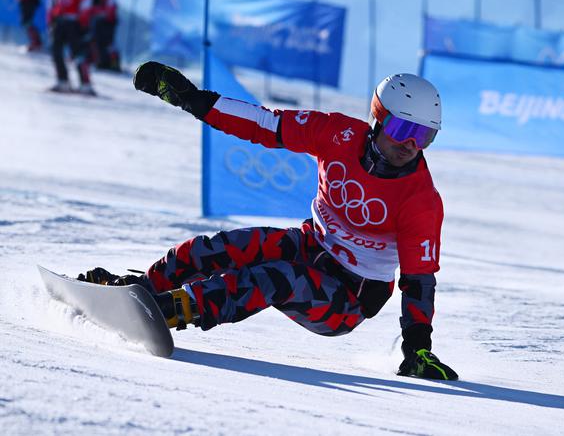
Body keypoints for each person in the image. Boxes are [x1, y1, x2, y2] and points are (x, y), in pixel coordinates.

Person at [79, 61, 457, 381]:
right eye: (403, 129)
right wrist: (193, 100)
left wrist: (418, 348)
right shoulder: (337, 133)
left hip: (346, 299)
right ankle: (140, 290)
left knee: (272, 279)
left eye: (424, 136)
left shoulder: (421, 200)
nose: (411, 144)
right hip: (311, 246)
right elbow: (264, 124)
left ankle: (168, 310)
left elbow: (419, 281)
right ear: (379, 118)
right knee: (219, 248)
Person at [47, 0, 95, 94]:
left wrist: (84, 24)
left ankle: (85, 84)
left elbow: (86, 2)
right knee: (56, 51)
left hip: (75, 22)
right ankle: (63, 81)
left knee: (78, 54)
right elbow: (52, 2)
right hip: (59, 20)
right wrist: (51, 19)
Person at [90, 0, 120, 71]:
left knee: (109, 44)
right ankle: (102, 63)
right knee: (98, 43)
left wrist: (101, 13)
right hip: (99, 21)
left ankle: (114, 64)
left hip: (108, 22)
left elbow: (111, 8)